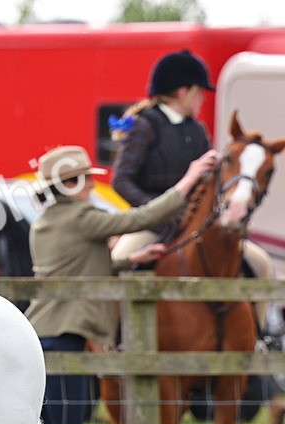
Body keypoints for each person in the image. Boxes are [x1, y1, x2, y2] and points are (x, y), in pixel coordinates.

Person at [25, 144, 218, 424]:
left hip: (39, 339)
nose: (91, 188)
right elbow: (144, 216)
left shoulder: (46, 220)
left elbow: (78, 269)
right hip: (68, 340)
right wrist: (193, 175)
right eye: (85, 180)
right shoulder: (82, 217)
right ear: (72, 183)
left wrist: (131, 261)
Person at [111, 49, 275, 323]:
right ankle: (113, 342)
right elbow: (121, 180)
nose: (201, 100)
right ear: (183, 92)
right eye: (200, 93)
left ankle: (259, 341)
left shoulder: (197, 130)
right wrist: (157, 214)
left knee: (261, 264)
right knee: (118, 260)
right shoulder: (144, 126)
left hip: (196, 224)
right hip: (151, 225)